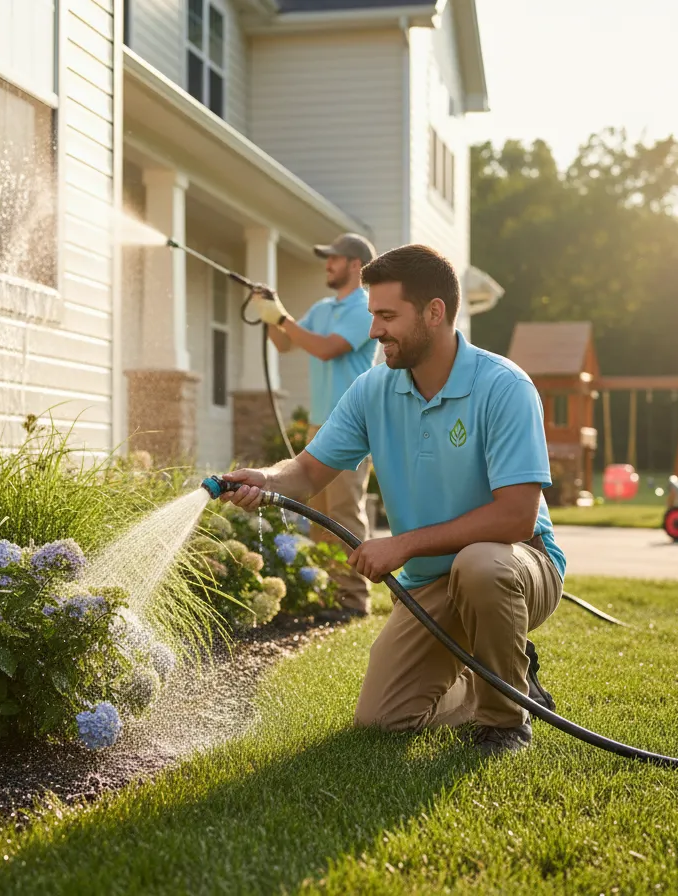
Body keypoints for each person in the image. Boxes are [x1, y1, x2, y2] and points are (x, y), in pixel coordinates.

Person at [221, 243, 566, 757]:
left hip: (516, 563)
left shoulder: (503, 386)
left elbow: (516, 517)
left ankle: (505, 721)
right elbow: (309, 470)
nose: (375, 330)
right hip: (434, 580)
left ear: (435, 312)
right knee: (383, 718)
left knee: (479, 565)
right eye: (372, 315)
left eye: (387, 315)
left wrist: (402, 545)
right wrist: (267, 480)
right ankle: (500, 678)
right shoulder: (373, 389)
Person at [250, 232, 378, 617]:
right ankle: (328, 594)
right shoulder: (322, 307)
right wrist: (270, 313)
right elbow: (284, 342)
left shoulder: (364, 309)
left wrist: (284, 317)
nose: (328, 264)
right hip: (320, 423)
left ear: (355, 265)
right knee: (318, 515)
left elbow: (326, 349)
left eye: (334, 259)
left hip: (353, 424)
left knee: (343, 511)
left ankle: (355, 599)